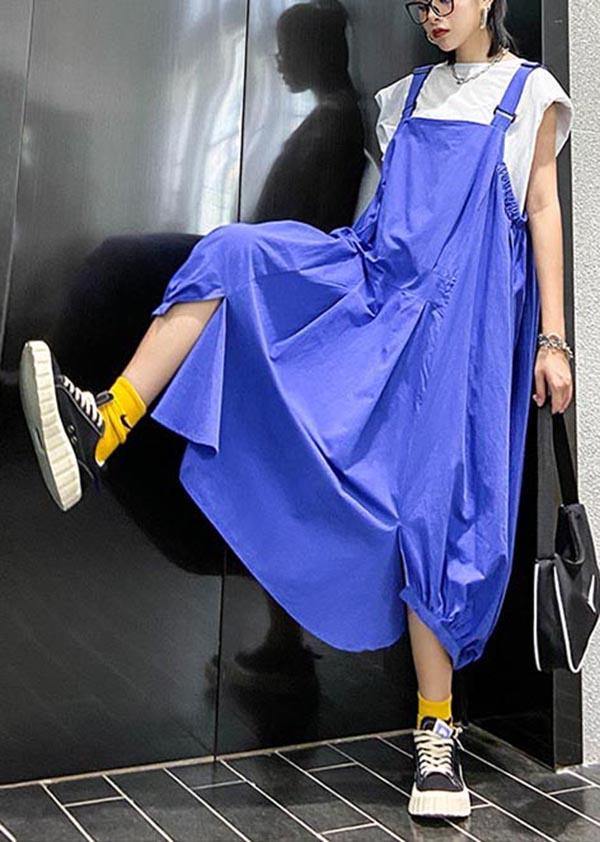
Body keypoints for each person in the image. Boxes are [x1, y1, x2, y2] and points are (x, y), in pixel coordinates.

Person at [18, 0, 574, 821]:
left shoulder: (530, 96)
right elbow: (382, 229)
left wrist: (553, 339)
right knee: (229, 254)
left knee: (431, 516)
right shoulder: (404, 99)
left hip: (464, 333)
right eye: (419, 1)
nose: (431, 13)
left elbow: (542, 212)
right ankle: (105, 422)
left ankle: (437, 735)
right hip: (379, 293)